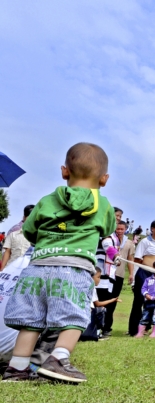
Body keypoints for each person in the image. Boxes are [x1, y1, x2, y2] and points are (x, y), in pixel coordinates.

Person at [2, 142, 116, 382]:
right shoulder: (103, 205)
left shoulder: (45, 201)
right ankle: (58, 358)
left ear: (65, 171)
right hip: (73, 269)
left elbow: (30, 231)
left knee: (31, 320)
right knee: (73, 317)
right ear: (104, 179)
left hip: (37, 268)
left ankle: (17, 368)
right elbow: (107, 229)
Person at [128, 220, 155, 336]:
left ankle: (150, 328)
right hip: (144, 273)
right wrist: (135, 278)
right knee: (139, 301)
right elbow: (137, 260)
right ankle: (134, 330)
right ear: (152, 229)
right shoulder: (145, 242)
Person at [80, 267, 121, 342]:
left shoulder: (81, 285)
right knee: (102, 310)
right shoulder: (92, 287)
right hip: (88, 313)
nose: (99, 279)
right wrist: (112, 300)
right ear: (91, 277)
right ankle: (97, 334)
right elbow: (98, 304)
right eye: (98, 277)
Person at [0, 204, 34, 270]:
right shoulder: (13, 234)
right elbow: (7, 252)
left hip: (28, 270)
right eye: (29, 217)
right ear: (24, 217)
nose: (31, 220)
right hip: (11, 268)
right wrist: (2, 270)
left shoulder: (38, 236)